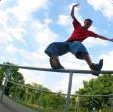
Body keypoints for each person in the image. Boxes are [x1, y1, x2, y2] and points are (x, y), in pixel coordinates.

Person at [45, 4, 113, 76]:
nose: (88, 24)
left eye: (89, 23)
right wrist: (73, 7)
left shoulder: (89, 32)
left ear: (90, 25)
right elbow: (72, 15)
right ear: (84, 22)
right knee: (53, 45)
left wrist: (109, 39)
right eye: (87, 22)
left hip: (75, 45)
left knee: (79, 45)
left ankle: (93, 67)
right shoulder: (78, 25)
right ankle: (57, 64)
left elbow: (99, 36)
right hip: (67, 43)